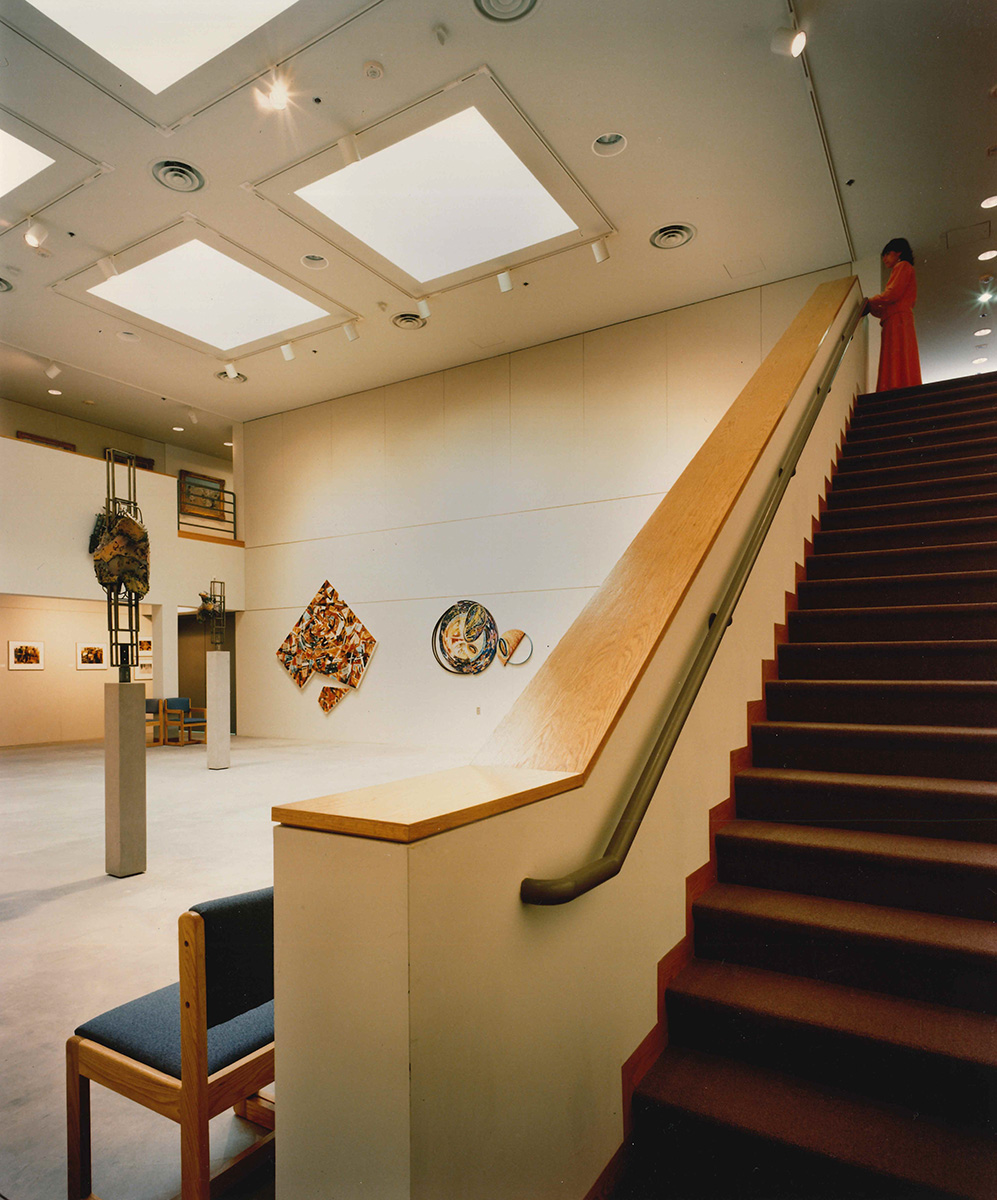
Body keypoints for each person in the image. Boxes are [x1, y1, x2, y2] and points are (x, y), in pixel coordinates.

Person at [861, 237, 921, 392]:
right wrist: (871, 306)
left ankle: (893, 387)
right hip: (898, 319)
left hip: (897, 320)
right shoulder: (905, 267)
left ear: (898, 252)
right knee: (901, 355)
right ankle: (901, 386)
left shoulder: (903, 265)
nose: (884, 259)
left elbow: (892, 294)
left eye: (887, 254)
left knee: (894, 355)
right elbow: (890, 301)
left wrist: (869, 301)